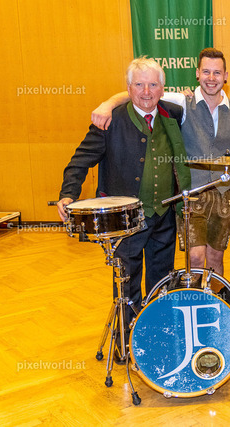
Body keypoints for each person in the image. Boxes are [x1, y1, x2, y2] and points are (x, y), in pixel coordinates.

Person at [57, 57, 191, 336]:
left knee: (162, 281)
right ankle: (127, 339)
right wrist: (68, 194)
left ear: (162, 88)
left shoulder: (173, 113)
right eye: (139, 85)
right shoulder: (110, 121)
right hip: (125, 220)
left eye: (153, 85)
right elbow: (80, 161)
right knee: (126, 284)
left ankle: (158, 335)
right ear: (128, 89)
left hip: (164, 216)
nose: (146, 92)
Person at [91, 48, 230, 275]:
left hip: (223, 195)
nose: (211, 78)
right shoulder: (181, 101)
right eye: (206, 71)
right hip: (190, 195)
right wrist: (107, 104)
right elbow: (142, 93)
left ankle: (215, 297)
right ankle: (194, 296)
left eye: (217, 72)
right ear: (197, 73)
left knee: (216, 257)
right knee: (195, 256)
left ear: (225, 76)